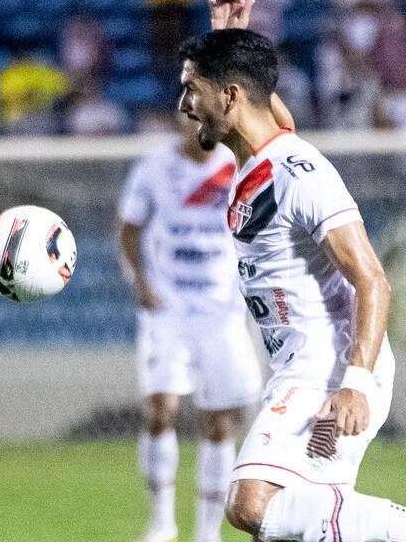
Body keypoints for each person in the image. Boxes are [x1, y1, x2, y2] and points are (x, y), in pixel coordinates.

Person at [177, 1, 406, 542]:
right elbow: (269, 114)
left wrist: (355, 385)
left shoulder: (302, 172)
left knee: (250, 504)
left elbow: (373, 280)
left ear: (228, 96)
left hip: (328, 368)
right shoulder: (263, 155)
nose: (184, 106)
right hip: (304, 363)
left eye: (192, 90)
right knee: (299, 524)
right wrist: (233, 39)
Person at [118, 112, 266, 542]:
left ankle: (206, 533)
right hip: (167, 309)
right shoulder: (153, 168)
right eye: (187, 116)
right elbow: (129, 230)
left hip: (220, 311)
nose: (194, 123)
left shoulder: (238, 167)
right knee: (159, 409)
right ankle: (162, 521)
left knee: (220, 420)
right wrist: (140, 282)